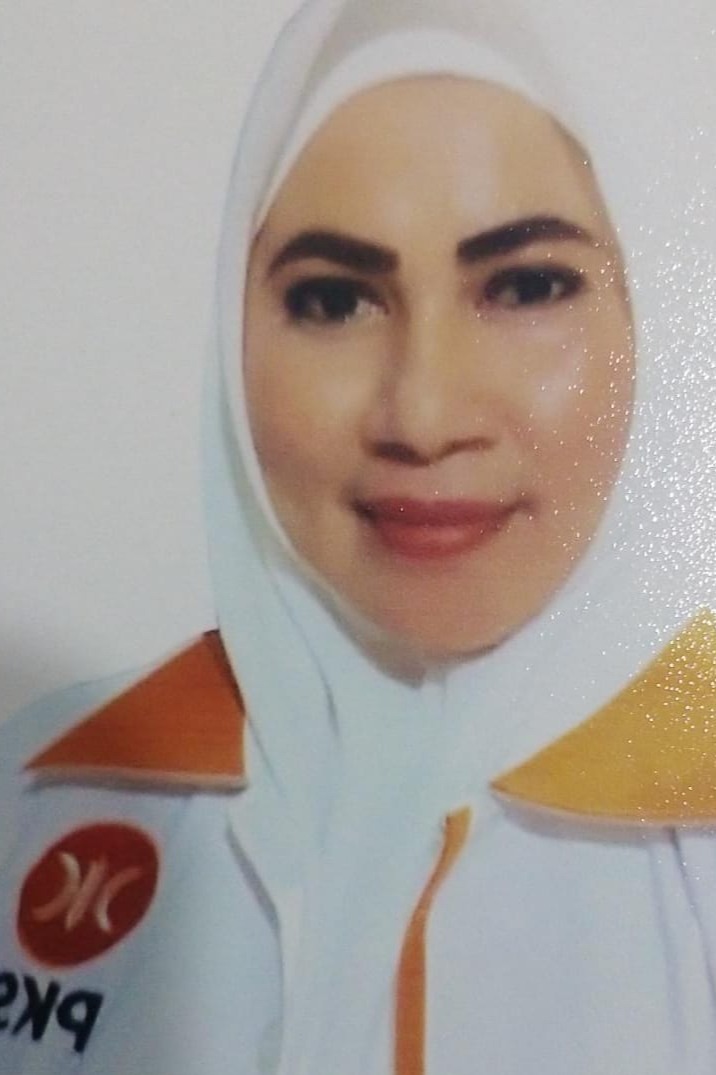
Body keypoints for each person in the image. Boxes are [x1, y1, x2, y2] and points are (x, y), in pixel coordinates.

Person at [1, 0, 715, 1072]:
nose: (421, 416)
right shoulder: (38, 788)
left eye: (525, 286)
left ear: (655, 314)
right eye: (334, 300)